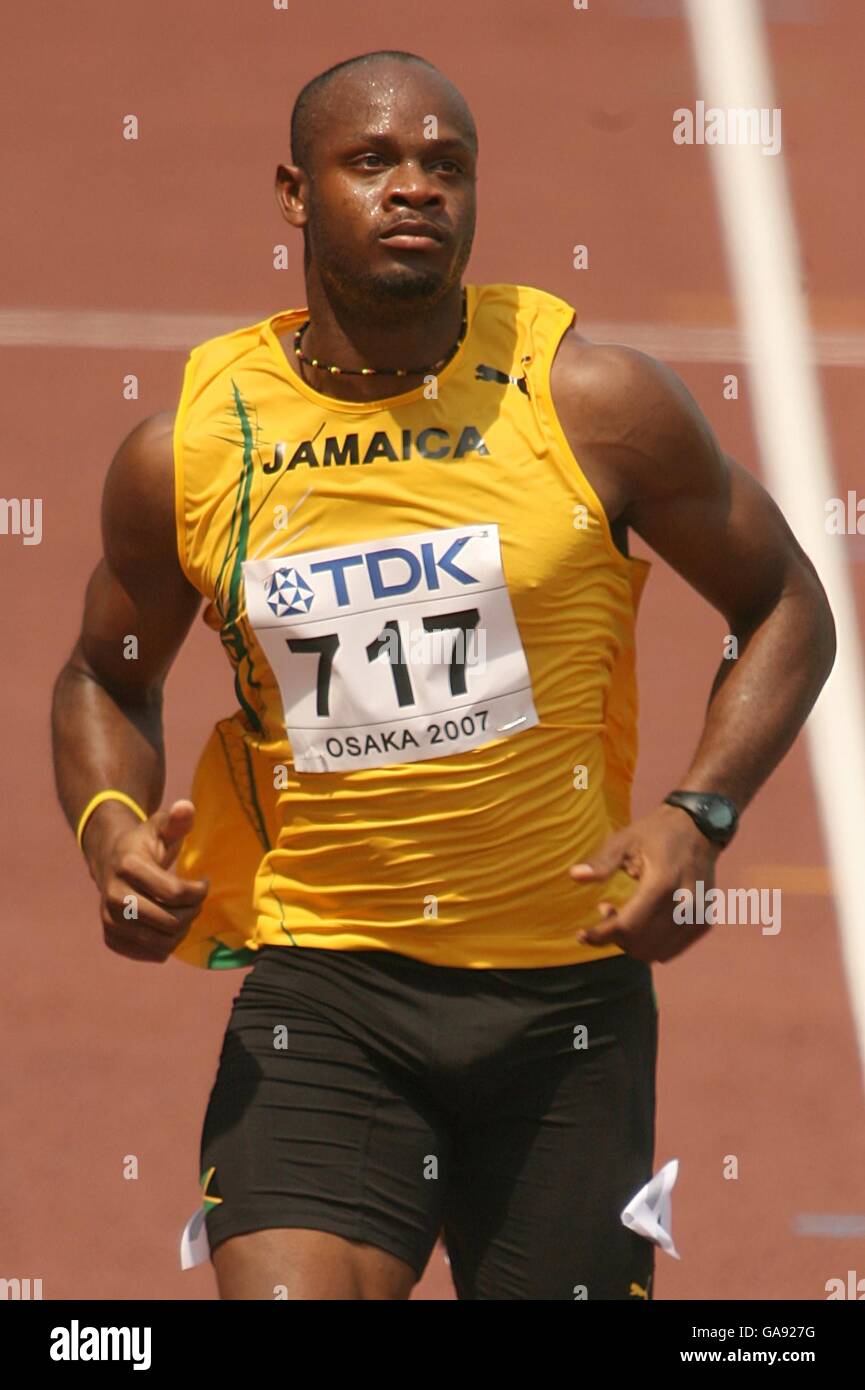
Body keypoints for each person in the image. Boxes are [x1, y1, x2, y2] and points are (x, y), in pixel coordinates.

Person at [51, 49, 836, 1301]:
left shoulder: (593, 403)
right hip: (327, 985)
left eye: (446, 166)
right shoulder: (193, 450)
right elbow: (106, 674)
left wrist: (703, 813)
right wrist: (108, 829)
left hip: (564, 995)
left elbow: (784, 599)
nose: (415, 187)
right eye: (374, 161)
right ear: (294, 193)